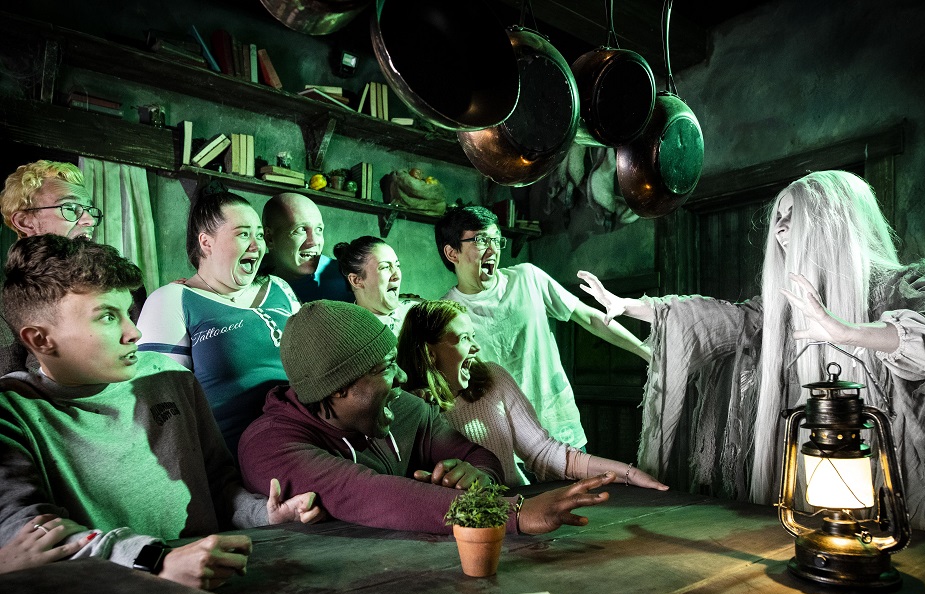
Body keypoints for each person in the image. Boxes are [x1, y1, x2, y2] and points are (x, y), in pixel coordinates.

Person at [579, 170, 925, 536]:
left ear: (834, 220)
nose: (779, 226)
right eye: (778, 216)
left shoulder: (910, 284)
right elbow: (728, 321)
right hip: (803, 473)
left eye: (795, 215)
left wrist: (845, 331)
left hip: (888, 474)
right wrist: (636, 307)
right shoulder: (784, 309)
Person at [0, 235, 322, 588]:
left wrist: (262, 513)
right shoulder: (14, 411)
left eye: (128, 313)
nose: (133, 332)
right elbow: (31, 533)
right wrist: (156, 560)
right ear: (40, 340)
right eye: (107, 317)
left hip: (212, 577)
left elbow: (218, 484)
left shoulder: (168, 376)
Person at [238, 300, 615, 535]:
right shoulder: (270, 446)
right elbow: (370, 493)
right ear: (340, 387)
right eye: (386, 367)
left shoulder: (404, 408)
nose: (402, 376)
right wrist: (511, 513)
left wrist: (479, 477)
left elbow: (476, 454)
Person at [436, 205, 650, 450]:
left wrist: (647, 352)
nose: (493, 249)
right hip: (502, 444)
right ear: (452, 253)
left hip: (560, 430)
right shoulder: (446, 313)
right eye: (482, 240)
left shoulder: (527, 278)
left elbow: (589, 317)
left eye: (496, 239)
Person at [397, 299, 669, 490]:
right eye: (464, 338)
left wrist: (628, 473)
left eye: (473, 336)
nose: (476, 347)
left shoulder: (492, 379)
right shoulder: (408, 406)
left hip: (518, 503)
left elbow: (543, 452)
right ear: (430, 352)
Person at [136, 188, 299, 453]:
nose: (257, 246)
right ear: (206, 243)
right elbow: (160, 406)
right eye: (243, 234)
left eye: (259, 235)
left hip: (307, 436)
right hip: (239, 454)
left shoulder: (280, 289)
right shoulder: (171, 300)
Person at [1, 160, 105, 375]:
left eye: (89, 209)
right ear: (25, 222)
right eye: (70, 208)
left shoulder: (119, 286)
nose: (89, 220)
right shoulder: (5, 304)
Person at [261, 192, 353, 304]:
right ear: (269, 238)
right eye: (301, 229)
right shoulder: (248, 277)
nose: (314, 242)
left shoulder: (347, 279)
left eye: (319, 230)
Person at [333, 235, 418, 335]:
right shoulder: (348, 333)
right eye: (385, 267)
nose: (397, 276)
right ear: (356, 280)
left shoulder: (419, 311)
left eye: (397, 265)